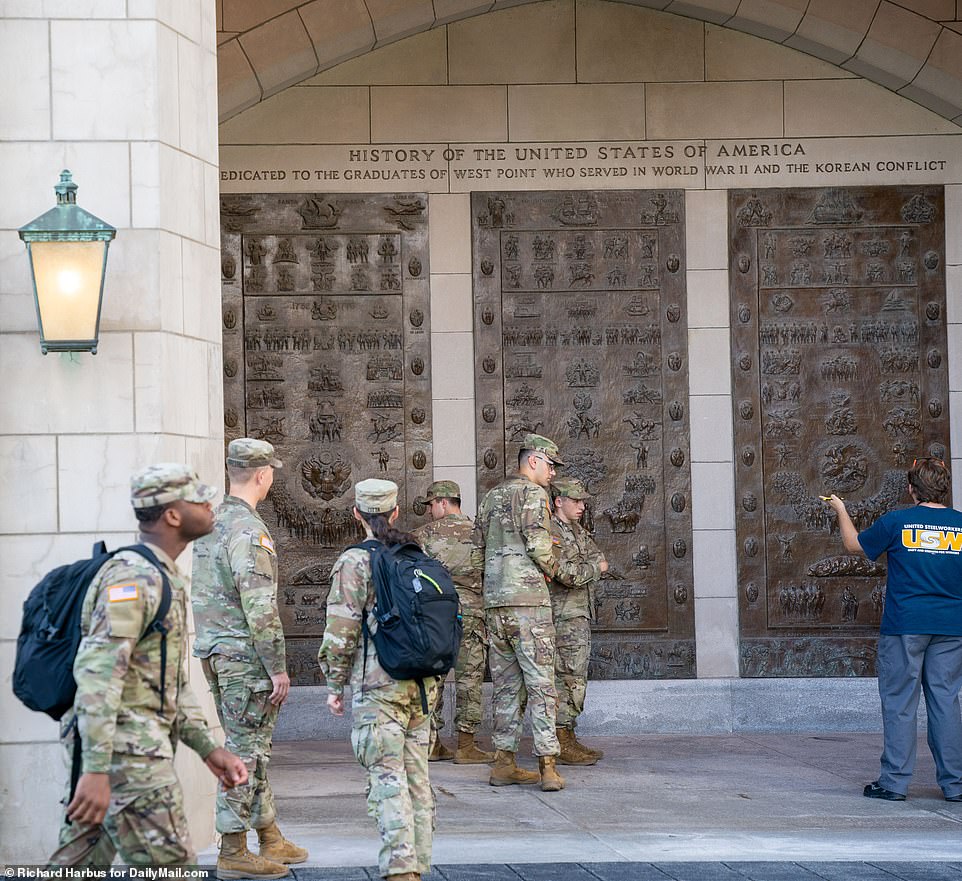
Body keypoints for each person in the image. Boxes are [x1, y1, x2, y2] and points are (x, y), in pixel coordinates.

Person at [49, 464, 249, 867]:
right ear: (172, 515)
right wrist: (97, 768)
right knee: (174, 868)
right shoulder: (134, 580)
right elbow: (98, 674)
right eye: (198, 499)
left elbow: (168, 680)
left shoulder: (161, 576)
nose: (210, 504)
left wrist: (208, 748)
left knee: (75, 868)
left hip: (122, 753)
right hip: (129, 758)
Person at [192, 439, 307, 879]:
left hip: (217, 652)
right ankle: (234, 848)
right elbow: (259, 606)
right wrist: (277, 665)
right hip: (244, 659)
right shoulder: (249, 531)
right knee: (246, 749)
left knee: (254, 746)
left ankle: (269, 834)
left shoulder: (211, 522)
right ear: (262, 475)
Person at [319, 478, 437, 881]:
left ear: (357, 514)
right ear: (396, 512)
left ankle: (401, 871)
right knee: (417, 777)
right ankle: (419, 866)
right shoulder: (416, 553)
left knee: (388, 778)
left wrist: (335, 686)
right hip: (422, 685)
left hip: (379, 686)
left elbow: (341, 631)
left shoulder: (354, 561)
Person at [827, 457, 962, 802]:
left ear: (911, 489)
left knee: (901, 702)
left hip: (906, 625)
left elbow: (854, 545)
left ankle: (895, 782)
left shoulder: (898, 522)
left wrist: (841, 508)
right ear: (944, 488)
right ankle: (955, 785)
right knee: (945, 701)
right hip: (951, 625)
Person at [473, 434, 570, 791]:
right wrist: (566, 573)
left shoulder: (491, 496)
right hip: (528, 602)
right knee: (542, 684)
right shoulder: (533, 494)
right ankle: (548, 766)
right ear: (533, 461)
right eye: (550, 465)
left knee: (505, 686)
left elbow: (478, 548)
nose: (552, 474)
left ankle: (504, 763)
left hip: (496, 601)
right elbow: (539, 546)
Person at [413, 480, 494, 765]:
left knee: (431, 676)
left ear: (443, 503)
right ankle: (466, 745)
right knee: (469, 679)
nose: (429, 511)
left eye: (431, 505)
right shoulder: (480, 534)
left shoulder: (422, 536)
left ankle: (431, 743)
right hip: (471, 612)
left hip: (435, 614)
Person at [549, 477, 608, 766]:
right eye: (576, 500)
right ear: (559, 501)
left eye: (583, 501)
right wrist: (593, 568)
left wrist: (590, 567)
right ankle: (560, 740)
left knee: (576, 678)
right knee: (565, 677)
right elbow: (566, 573)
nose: (582, 506)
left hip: (578, 614)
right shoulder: (550, 531)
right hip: (562, 617)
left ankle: (568, 735)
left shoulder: (577, 532)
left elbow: (600, 559)